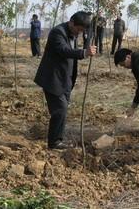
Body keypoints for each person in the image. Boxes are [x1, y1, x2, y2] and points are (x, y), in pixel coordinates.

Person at [34, 11, 97, 149]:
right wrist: (84, 53)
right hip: (52, 79)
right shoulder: (58, 32)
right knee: (60, 110)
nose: (79, 33)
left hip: (65, 79)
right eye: (78, 29)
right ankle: (54, 143)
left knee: (63, 110)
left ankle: (58, 139)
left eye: (82, 31)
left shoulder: (72, 32)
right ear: (71, 22)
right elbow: (64, 50)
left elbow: (87, 31)